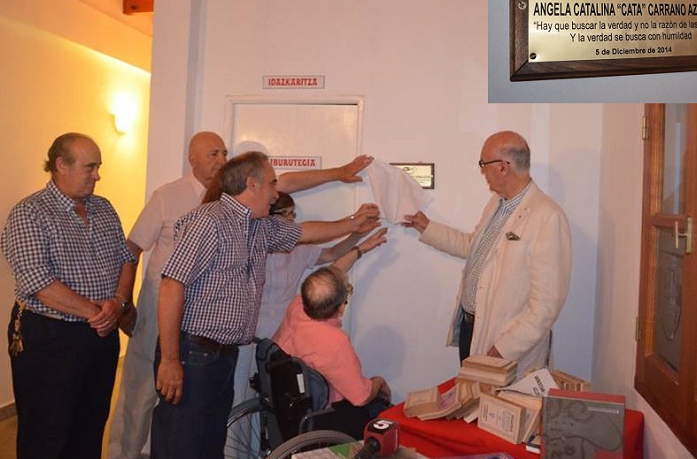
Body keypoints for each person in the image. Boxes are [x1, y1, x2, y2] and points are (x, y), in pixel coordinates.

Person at [108, 131, 373, 459]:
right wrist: (170, 360)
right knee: (179, 450)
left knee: (207, 446)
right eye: (273, 185)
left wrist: (354, 224)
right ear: (252, 185)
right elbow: (172, 286)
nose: (278, 193)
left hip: (222, 356)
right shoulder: (209, 221)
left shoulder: (257, 227)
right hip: (192, 354)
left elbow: (305, 232)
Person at [1, 132, 137, 459]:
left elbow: (125, 258)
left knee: (89, 429)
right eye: (90, 167)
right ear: (60, 165)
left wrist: (119, 302)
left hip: (98, 336)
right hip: (49, 339)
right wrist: (98, 313)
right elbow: (38, 282)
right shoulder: (29, 213)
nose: (97, 175)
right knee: (47, 435)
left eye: (98, 167)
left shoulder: (104, 208)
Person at [403, 131, 571, 372]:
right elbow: (474, 248)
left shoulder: (548, 217)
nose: (482, 171)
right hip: (472, 329)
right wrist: (426, 226)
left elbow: (546, 305)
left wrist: (505, 349)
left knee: (500, 407)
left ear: (504, 167)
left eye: (484, 164)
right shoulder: (497, 203)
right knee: (474, 402)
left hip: (505, 344)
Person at [232, 192, 388, 407]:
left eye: (292, 214)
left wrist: (358, 240)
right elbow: (360, 397)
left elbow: (331, 262)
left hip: (283, 339)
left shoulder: (298, 295)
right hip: (254, 336)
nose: (290, 220)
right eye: (283, 214)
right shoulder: (257, 249)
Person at [272, 266, 392, 439]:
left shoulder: (296, 307)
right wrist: (378, 382)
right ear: (340, 308)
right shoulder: (334, 342)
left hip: (286, 405)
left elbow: (323, 282)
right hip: (318, 416)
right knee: (380, 408)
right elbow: (361, 397)